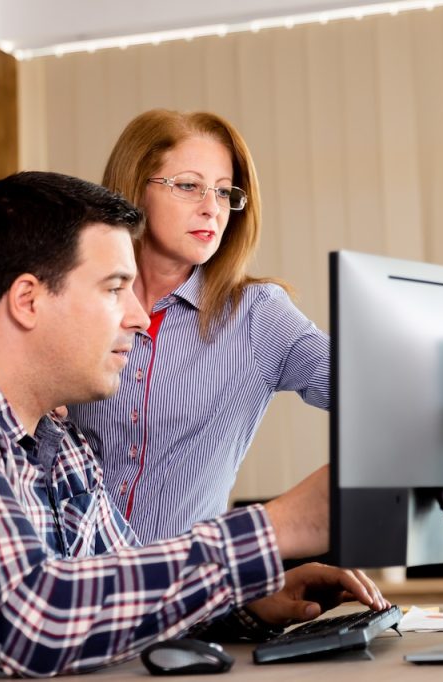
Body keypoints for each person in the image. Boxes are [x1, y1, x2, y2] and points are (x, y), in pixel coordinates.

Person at [0, 171, 386, 680]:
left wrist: (255, 601)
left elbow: (113, 593)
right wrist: (278, 528)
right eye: (113, 289)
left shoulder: (63, 447)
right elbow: (30, 622)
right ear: (28, 300)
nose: (139, 317)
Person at [69, 109, 331, 543]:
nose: (212, 209)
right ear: (134, 189)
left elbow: (369, 393)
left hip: (189, 598)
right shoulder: (77, 298)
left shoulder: (257, 314)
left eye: (225, 192)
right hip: (71, 594)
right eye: (189, 186)